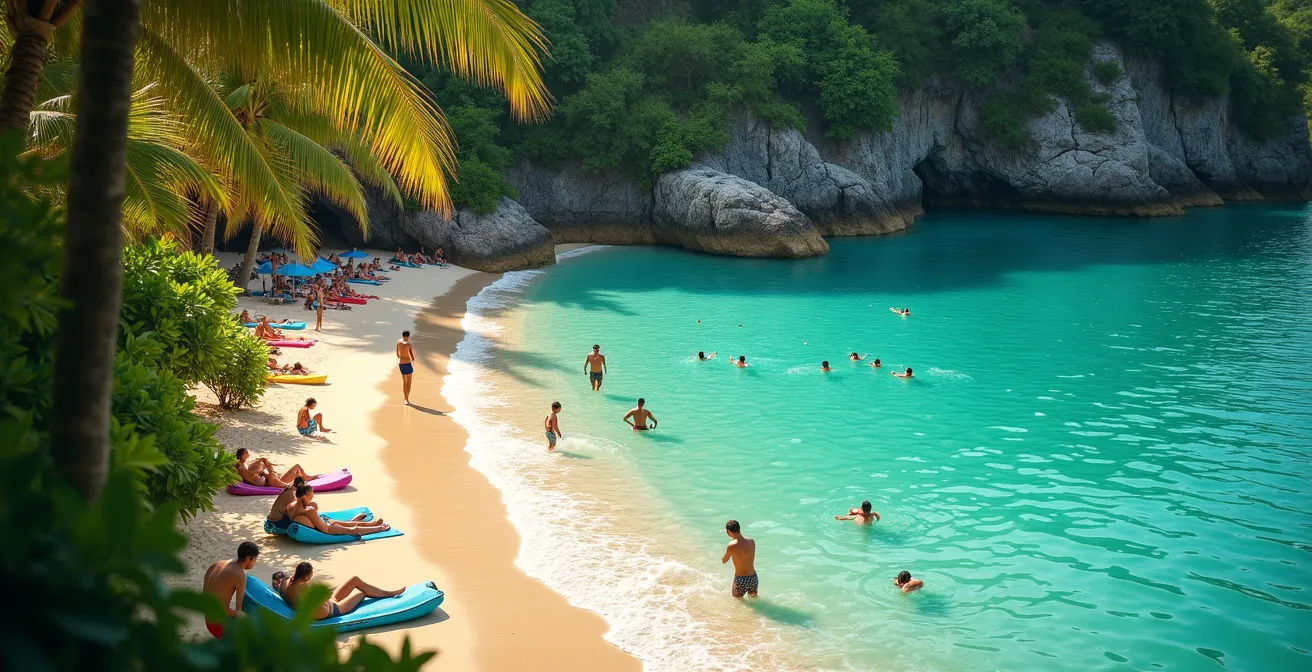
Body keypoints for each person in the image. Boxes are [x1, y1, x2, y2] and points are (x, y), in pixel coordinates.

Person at [275, 561, 404, 620]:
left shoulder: (285, 583)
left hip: (329, 603)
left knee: (354, 579)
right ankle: (387, 594)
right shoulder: (303, 588)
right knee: (361, 593)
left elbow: (278, 585)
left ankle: (386, 592)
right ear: (306, 576)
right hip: (330, 611)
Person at [201, 541, 260, 638]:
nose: (254, 563)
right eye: (255, 559)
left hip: (208, 619)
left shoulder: (218, 564)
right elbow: (238, 611)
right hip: (218, 625)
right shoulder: (240, 574)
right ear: (248, 558)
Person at [285, 484, 391, 536]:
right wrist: (333, 526)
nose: (312, 497)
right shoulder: (309, 511)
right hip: (327, 529)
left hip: (321, 524)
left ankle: (372, 523)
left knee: (342, 523)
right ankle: (378, 528)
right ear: (304, 496)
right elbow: (325, 529)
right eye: (311, 495)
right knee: (352, 529)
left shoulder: (290, 506)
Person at [235, 448, 315, 488]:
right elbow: (248, 473)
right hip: (269, 482)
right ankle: (288, 486)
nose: (248, 453)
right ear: (242, 455)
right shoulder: (241, 466)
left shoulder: (244, 464)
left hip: (269, 479)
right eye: (246, 452)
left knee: (297, 467)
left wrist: (263, 467)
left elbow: (250, 472)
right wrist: (260, 471)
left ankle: (305, 477)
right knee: (296, 468)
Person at [721, 520, 758, 598]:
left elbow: (724, 561)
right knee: (754, 600)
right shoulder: (751, 541)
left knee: (737, 601)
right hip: (753, 577)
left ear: (728, 531)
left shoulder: (731, 545)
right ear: (739, 529)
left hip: (741, 579)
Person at [397, 330, 416, 405]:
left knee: (404, 382)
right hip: (407, 363)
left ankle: (405, 398)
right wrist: (413, 359)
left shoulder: (398, 342)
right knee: (409, 382)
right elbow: (411, 355)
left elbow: (397, 355)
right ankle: (406, 399)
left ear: (402, 335)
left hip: (401, 364)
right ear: (408, 336)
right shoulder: (408, 344)